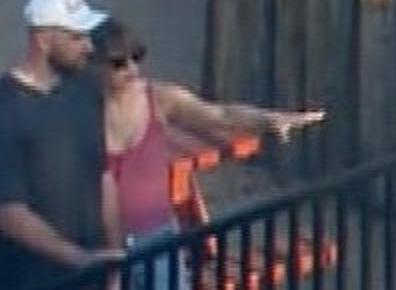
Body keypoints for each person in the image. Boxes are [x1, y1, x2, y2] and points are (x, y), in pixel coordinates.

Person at [91, 17, 325, 288]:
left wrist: (268, 120)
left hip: (156, 236)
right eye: (118, 63)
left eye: (137, 57)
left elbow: (219, 115)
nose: (132, 69)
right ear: (93, 65)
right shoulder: (76, 111)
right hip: (99, 243)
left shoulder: (158, 98)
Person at [0, 0, 125, 290]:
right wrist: (79, 259)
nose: (88, 46)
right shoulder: (2, 110)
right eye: (76, 37)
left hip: (89, 277)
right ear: (44, 40)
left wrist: (114, 259)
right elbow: (11, 215)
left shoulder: (85, 87)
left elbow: (102, 176)